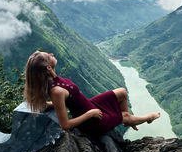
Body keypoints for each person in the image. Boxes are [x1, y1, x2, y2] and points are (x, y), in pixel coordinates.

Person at [24, 51, 160, 135]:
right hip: (92, 120)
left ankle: (126, 118)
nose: (52, 55)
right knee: (124, 116)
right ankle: (146, 118)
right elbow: (65, 125)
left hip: (90, 104)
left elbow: (60, 102)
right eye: (49, 56)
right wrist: (90, 114)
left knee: (122, 92)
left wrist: (48, 105)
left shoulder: (54, 83)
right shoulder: (56, 90)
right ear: (48, 67)